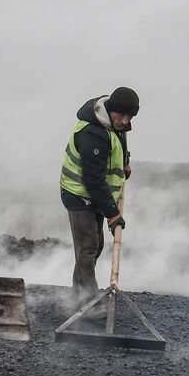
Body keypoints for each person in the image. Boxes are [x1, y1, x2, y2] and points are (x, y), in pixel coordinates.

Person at [59, 87, 137, 312]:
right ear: (111, 110)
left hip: (93, 196)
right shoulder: (92, 134)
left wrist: (125, 162)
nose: (126, 121)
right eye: (122, 115)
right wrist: (113, 214)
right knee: (87, 248)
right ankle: (88, 302)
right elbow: (94, 181)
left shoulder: (115, 124)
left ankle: (77, 294)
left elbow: (121, 139)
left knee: (95, 245)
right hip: (78, 194)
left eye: (130, 116)